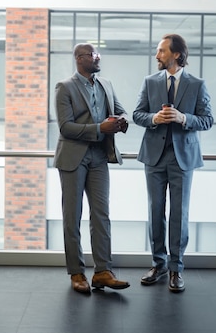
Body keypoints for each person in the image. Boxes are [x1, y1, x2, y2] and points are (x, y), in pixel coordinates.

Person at [133, 33, 213, 292]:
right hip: (154, 157)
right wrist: (154, 119)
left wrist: (183, 118)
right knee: (155, 212)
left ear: (177, 54)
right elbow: (137, 114)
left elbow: (207, 120)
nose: (157, 56)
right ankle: (159, 264)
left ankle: (176, 269)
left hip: (183, 158)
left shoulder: (197, 84)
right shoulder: (149, 81)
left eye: (162, 51)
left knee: (179, 214)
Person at [54, 42, 131, 294]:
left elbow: (121, 111)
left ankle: (102, 272)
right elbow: (66, 127)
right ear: (79, 58)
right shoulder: (65, 87)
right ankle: (76, 272)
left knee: (101, 215)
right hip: (73, 158)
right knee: (72, 217)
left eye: (98, 54)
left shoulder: (106, 84)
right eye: (92, 55)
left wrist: (121, 121)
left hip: (99, 157)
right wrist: (100, 128)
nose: (97, 58)